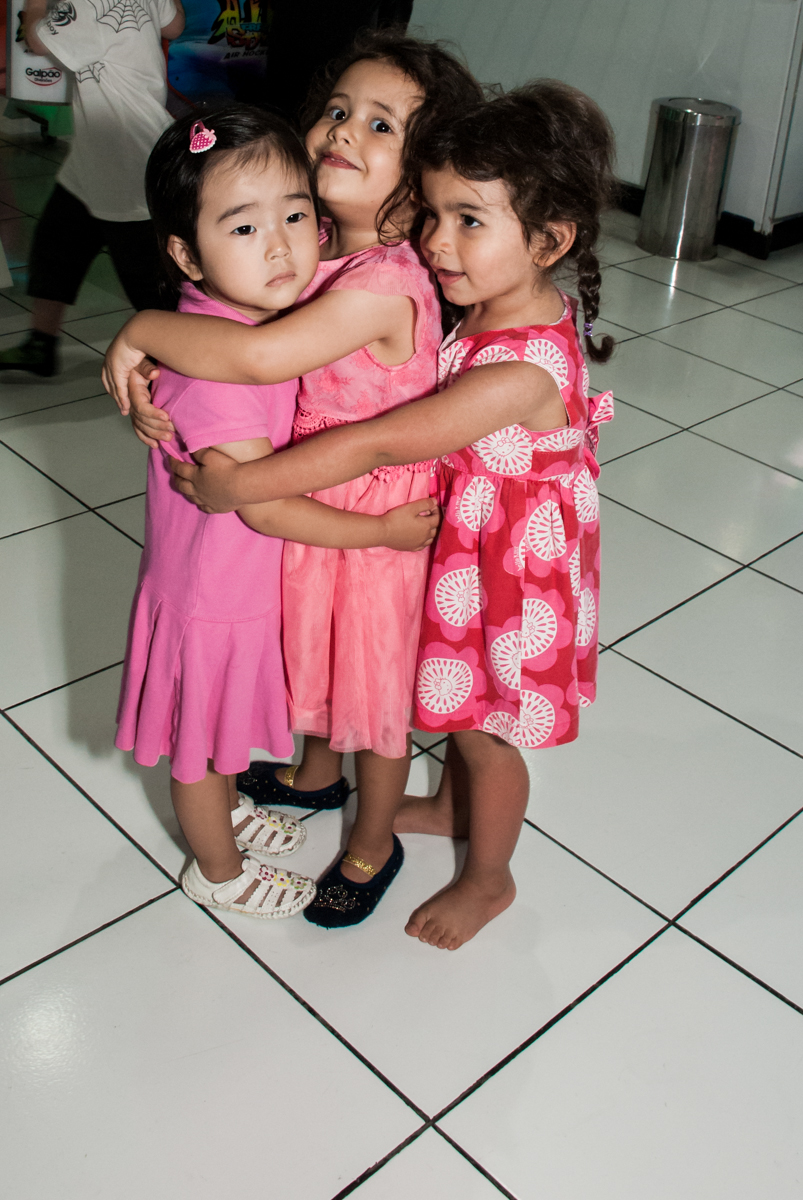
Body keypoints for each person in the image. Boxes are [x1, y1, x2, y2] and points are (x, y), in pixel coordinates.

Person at [159, 81, 618, 949]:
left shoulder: (515, 372)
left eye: (469, 221)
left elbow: (376, 444)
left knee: (484, 735)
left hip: (508, 582)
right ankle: (448, 807)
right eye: (434, 213)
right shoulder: (497, 306)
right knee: (444, 706)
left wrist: (241, 487)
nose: (439, 242)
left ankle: (488, 877)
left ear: (550, 240)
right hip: (474, 549)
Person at [103, 30, 484, 929]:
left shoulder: (383, 279)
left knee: (372, 696)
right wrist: (147, 334)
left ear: (426, 167)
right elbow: (236, 339)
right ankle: (316, 776)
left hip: (366, 518)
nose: (345, 130)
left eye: (382, 124)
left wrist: (144, 327)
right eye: (338, 110)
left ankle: (372, 839)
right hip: (311, 516)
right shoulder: (312, 258)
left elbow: (262, 354)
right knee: (315, 666)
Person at [0, 0, 185, 378]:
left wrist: (36, 5)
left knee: (148, 280)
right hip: (98, 155)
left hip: (123, 158)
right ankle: (41, 343)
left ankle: (183, 366)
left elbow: (37, 41)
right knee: (56, 243)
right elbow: (175, 27)